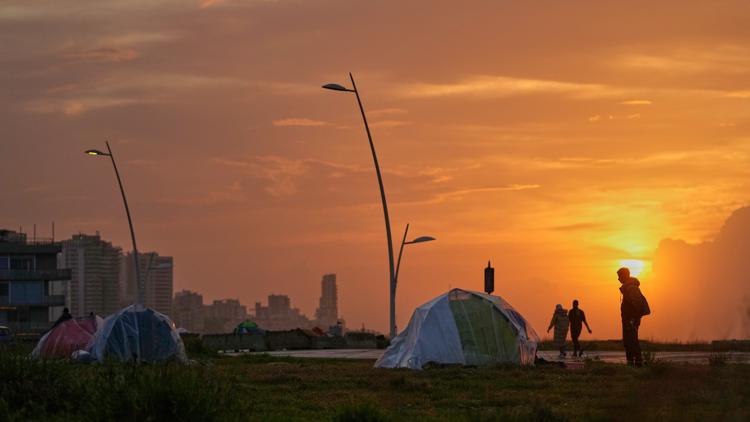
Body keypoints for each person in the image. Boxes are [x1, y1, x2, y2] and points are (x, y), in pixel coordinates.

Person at [618, 267, 645, 366]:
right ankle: (632, 364)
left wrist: (633, 319)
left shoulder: (631, 288)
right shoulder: (628, 287)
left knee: (632, 342)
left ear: (624, 275)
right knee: (628, 342)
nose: (618, 279)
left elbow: (638, 304)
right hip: (628, 320)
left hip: (631, 320)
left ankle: (637, 364)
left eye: (619, 276)